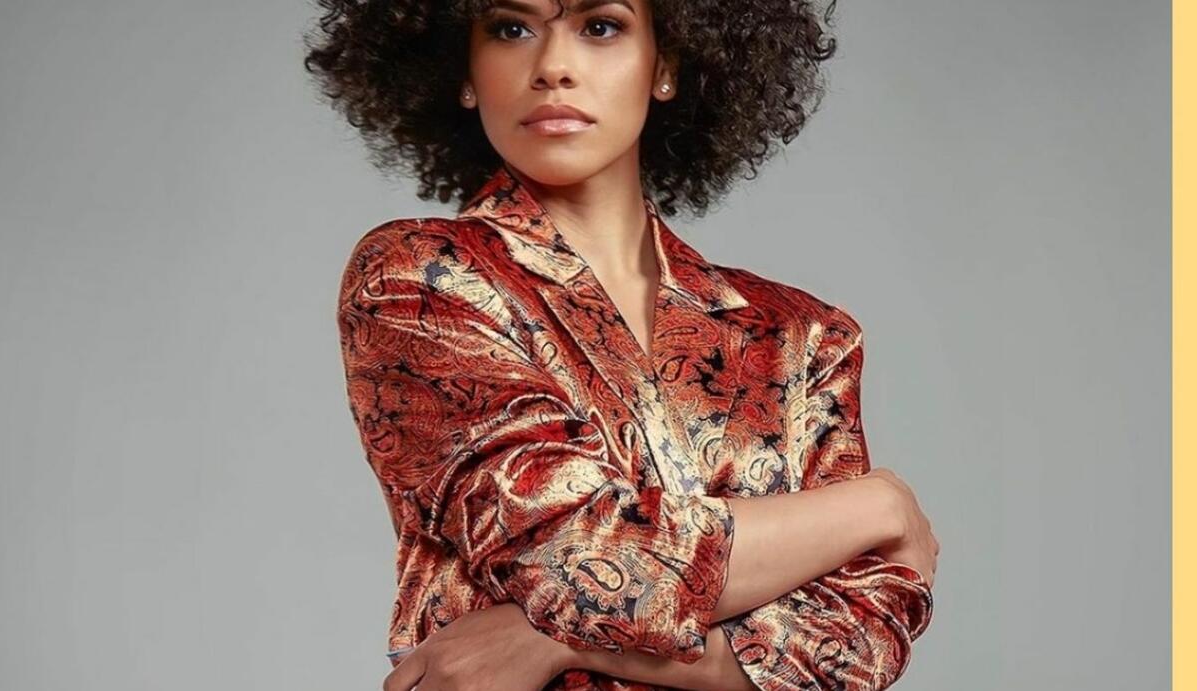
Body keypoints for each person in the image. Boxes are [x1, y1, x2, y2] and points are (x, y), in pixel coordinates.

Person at [304, 1, 940, 689]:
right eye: (511, 28)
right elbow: (577, 554)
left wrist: (545, 642)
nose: (553, 67)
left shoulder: (801, 335)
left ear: (665, 64)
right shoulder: (420, 278)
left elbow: (860, 641)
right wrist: (877, 507)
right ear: (463, 70)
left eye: (600, 26)